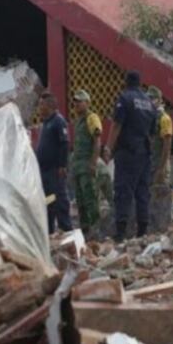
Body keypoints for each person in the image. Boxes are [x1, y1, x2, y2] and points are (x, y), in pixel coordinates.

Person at [104, 70, 157, 240]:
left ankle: (120, 232)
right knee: (142, 191)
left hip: (127, 152)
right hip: (144, 153)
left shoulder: (124, 98)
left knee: (123, 190)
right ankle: (142, 231)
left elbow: (116, 125)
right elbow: (153, 132)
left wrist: (108, 148)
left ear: (126, 82)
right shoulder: (150, 103)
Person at [36, 91, 73, 233]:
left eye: (41, 104)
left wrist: (62, 165)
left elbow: (64, 143)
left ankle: (67, 229)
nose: (39, 107)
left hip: (54, 171)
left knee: (59, 200)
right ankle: (50, 231)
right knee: (48, 201)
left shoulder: (58, 121)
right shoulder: (46, 123)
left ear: (50, 105)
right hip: (44, 173)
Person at [69, 89, 103, 240]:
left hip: (87, 166)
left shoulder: (92, 118)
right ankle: (85, 232)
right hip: (78, 168)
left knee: (90, 199)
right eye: (75, 102)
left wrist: (93, 163)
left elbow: (97, 140)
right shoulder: (78, 122)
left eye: (79, 101)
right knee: (80, 201)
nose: (76, 104)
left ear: (87, 103)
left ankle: (97, 230)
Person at [147, 85, 173, 232]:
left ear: (159, 100)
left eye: (152, 98)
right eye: (148, 99)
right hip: (150, 164)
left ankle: (165, 228)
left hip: (160, 164)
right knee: (151, 198)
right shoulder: (150, 119)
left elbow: (167, 143)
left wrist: (161, 168)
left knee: (162, 196)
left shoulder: (164, 118)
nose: (150, 101)